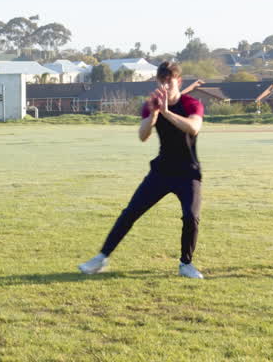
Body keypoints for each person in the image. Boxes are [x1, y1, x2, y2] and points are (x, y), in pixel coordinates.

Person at [79, 61, 206, 278]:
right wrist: (155, 114)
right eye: (162, 82)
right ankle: (101, 258)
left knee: (191, 217)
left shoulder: (191, 103)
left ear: (179, 81)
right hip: (161, 171)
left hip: (188, 172)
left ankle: (186, 264)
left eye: (170, 82)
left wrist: (166, 112)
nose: (166, 86)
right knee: (130, 213)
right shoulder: (151, 104)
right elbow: (142, 136)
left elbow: (193, 128)